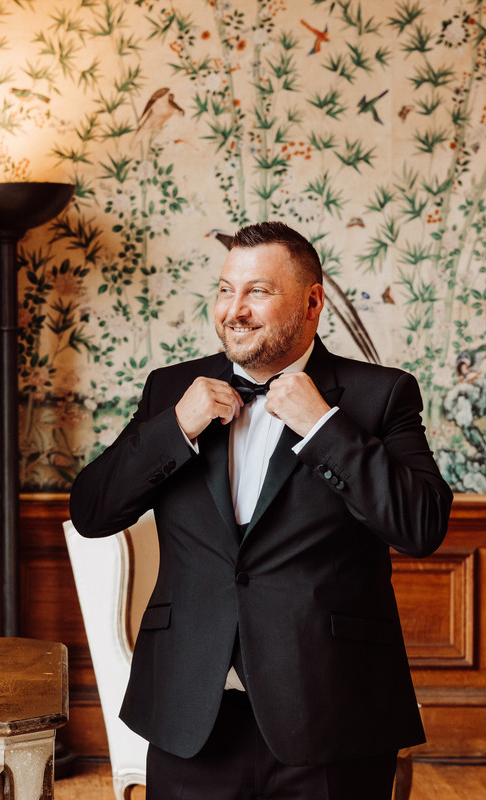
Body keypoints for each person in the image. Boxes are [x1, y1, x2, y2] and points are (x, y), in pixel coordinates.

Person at [69, 221, 453, 800]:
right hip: (191, 714)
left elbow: (420, 526)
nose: (234, 310)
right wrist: (176, 428)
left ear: (312, 301)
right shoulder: (171, 389)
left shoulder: (382, 395)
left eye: (258, 291)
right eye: (226, 289)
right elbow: (93, 511)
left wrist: (324, 427)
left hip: (331, 716)